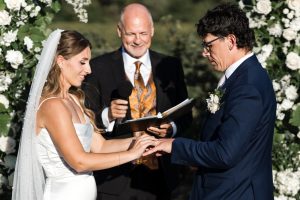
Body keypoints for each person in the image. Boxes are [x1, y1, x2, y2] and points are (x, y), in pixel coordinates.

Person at [144, 3, 276, 200]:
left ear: (231, 41)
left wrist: (174, 145)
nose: (204, 53)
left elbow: (225, 153)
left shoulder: (248, 85)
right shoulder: (241, 76)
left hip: (236, 193)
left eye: (209, 45)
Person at [12, 29, 157, 200]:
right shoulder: (53, 106)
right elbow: (79, 162)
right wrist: (132, 154)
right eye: (82, 62)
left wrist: (142, 141)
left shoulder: (73, 99)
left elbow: (101, 147)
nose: (89, 69)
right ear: (60, 61)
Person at [83, 3, 192, 200]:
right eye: (131, 34)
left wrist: (171, 128)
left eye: (143, 33)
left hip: (162, 177)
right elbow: (84, 122)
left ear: (152, 31)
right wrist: (107, 115)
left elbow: (186, 115)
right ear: (119, 31)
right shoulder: (98, 68)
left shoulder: (170, 66)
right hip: (115, 178)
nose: (137, 40)